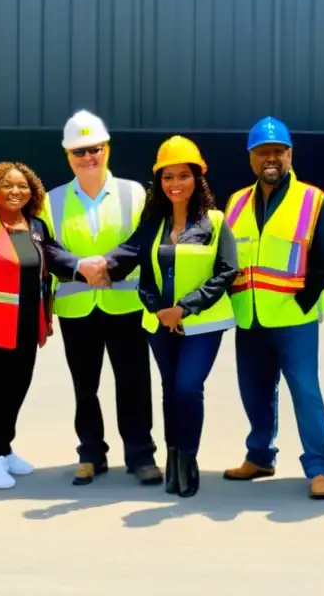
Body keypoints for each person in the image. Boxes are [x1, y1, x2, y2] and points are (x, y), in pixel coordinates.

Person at [100, 136, 238, 498]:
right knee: (169, 390)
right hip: (160, 324)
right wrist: (159, 310)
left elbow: (226, 271)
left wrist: (186, 307)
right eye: (167, 177)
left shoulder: (216, 222)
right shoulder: (154, 223)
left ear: (198, 178)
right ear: (159, 182)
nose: (176, 184)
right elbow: (143, 271)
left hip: (202, 324)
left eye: (183, 175)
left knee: (187, 387)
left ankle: (188, 459)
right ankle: (173, 458)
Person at [41, 110, 161, 486]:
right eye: (79, 152)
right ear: (68, 156)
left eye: (94, 149)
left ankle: (141, 455)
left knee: (134, 382)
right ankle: (91, 453)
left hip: (124, 304)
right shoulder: (52, 199)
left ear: (107, 149)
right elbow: (46, 247)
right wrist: (80, 265)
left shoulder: (133, 192)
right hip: (77, 308)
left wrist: (107, 264)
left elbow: (142, 239)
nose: (88, 157)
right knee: (85, 385)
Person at [222, 116, 324, 499]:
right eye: (262, 153)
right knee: (254, 391)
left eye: (278, 151)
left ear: (290, 155)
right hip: (250, 318)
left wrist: (303, 300)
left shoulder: (313, 200)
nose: (270, 159)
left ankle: (319, 467)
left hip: (294, 319)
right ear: (251, 159)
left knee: (306, 392)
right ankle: (259, 456)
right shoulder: (236, 202)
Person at [0, 162, 83, 489]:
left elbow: (49, 266)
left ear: (32, 192)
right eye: (7, 185)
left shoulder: (35, 226)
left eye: (22, 186)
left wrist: (49, 312)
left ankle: (3, 446)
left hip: (25, 324)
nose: (15, 191)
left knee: (15, 388)